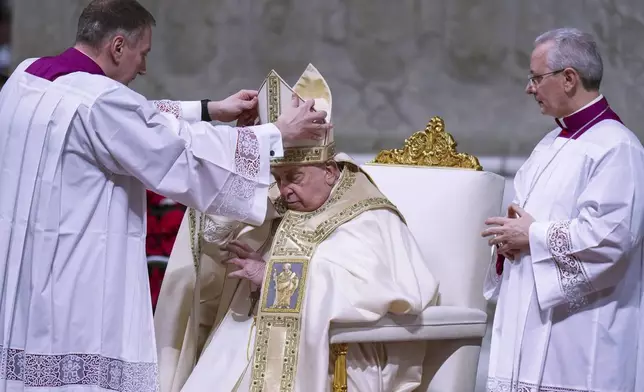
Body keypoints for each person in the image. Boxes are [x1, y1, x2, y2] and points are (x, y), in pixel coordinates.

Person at [0, 0, 330, 390]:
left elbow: (135, 118)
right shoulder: (102, 102)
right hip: (74, 270)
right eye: (143, 54)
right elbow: (178, 155)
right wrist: (276, 134)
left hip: (27, 263)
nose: (143, 67)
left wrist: (209, 110)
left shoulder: (28, 77)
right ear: (118, 46)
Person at [153, 64, 439, 392]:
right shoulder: (282, 204)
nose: (285, 189)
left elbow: (380, 293)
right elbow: (211, 237)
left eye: (295, 177)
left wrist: (272, 278)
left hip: (334, 353)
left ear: (330, 170)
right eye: (279, 178)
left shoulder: (368, 215)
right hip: (250, 340)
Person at [481, 28, 644, 392]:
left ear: (568, 78)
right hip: (529, 323)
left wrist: (532, 236)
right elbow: (522, 220)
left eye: (536, 78)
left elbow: (612, 239)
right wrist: (506, 245)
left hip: (581, 339)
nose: (529, 88)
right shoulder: (550, 144)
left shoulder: (617, 148)